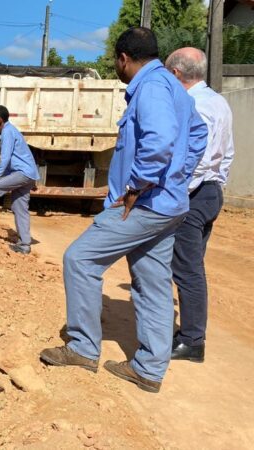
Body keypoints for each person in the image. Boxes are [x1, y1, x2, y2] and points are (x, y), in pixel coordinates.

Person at [39, 27, 207, 393]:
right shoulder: (173, 87)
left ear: (123, 59)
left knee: (80, 260)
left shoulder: (150, 88)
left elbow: (161, 140)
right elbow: (197, 135)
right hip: (168, 204)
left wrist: (139, 186)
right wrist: (176, 175)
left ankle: (83, 348)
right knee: (151, 283)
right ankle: (148, 369)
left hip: (142, 204)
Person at [165, 48, 235, 363]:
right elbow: (226, 154)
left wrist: (178, 192)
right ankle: (189, 335)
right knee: (192, 266)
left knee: (187, 269)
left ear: (177, 74)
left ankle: (192, 341)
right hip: (211, 193)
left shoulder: (193, 104)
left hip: (194, 194)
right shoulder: (218, 101)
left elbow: (197, 160)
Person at [0, 105, 39, 254]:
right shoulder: (7, 131)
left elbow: (5, 161)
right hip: (26, 174)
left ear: (0, 119)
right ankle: (24, 245)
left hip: (22, 173)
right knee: (19, 208)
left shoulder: (8, 132)